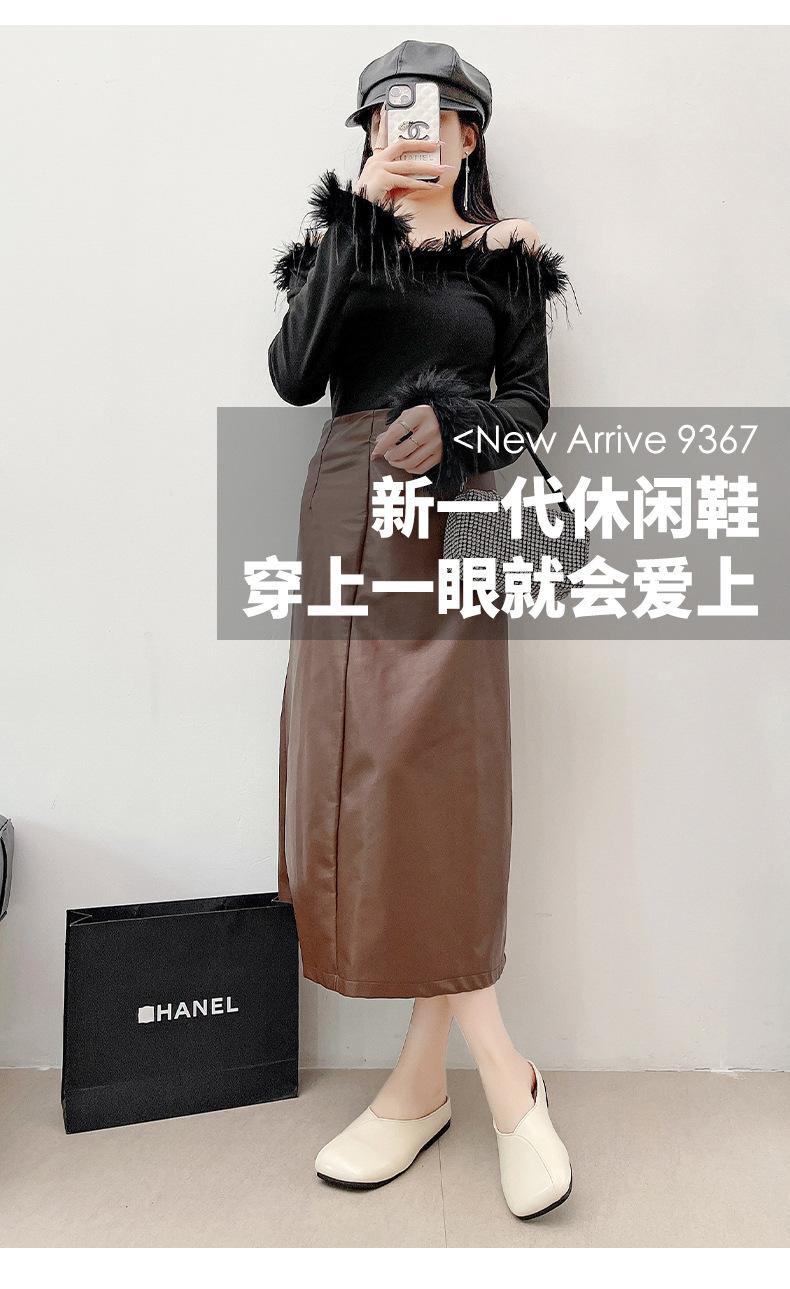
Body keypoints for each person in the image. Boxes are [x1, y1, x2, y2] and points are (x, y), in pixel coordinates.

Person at [269, 39, 573, 1219]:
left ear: (468, 132)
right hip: (348, 508)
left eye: (434, 115)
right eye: (387, 116)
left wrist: (456, 427)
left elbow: (528, 404)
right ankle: (483, 1078)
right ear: (367, 134)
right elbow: (296, 374)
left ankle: (437, 1085)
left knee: (443, 779)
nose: (412, 132)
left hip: (456, 516)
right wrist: (354, 226)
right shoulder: (339, 245)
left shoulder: (510, 255)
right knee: (366, 775)